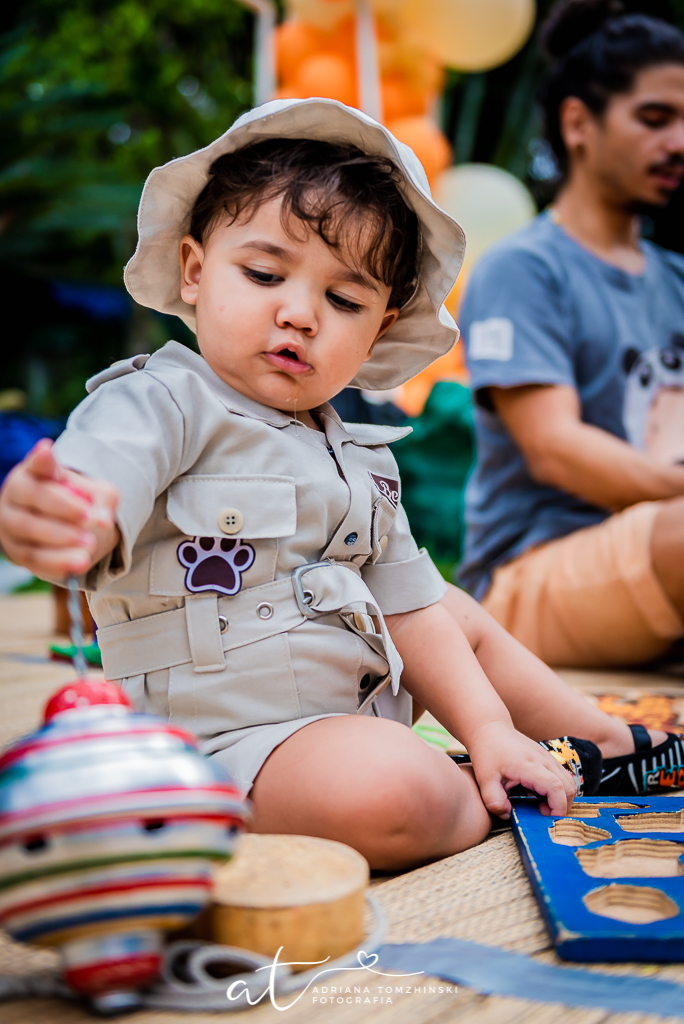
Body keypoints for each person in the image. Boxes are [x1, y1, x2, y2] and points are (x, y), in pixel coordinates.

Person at [0, 99, 679, 872]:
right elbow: (104, 471)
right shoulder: (160, 402)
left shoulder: (358, 456)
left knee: (451, 610)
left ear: (382, 327)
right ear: (194, 270)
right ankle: (483, 791)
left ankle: (598, 744)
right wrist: (69, 513)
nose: (298, 314)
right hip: (226, 743)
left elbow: (414, 611)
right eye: (263, 273)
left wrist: (487, 724)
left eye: (344, 299)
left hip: (355, 707)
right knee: (397, 796)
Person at [459, 0, 684, 671]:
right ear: (578, 123)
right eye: (654, 118)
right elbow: (554, 449)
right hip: (526, 579)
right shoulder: (523, 269)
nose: (679, 142)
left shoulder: (676, 278)